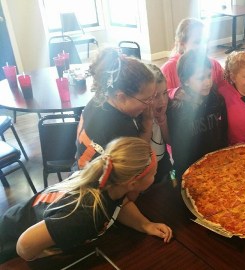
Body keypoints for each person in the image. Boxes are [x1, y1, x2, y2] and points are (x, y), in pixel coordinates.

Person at [0, 137, 173, 263]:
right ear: (133, 183)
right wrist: (52, 253)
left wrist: (145, 225)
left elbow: (121, 204)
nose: (155, 176)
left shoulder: (107, 180)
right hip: (9, 246)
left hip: (20, 218)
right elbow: (25, 245)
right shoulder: (86, 214)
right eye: (154, 174)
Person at [76, 48, 156, 169]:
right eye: (146, 100)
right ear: (121, 97)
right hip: (100, 184)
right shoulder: (120, 127)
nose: (151, 104)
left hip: (79, 171)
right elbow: (136, 164)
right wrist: (147, 125)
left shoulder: (97, 99)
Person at [167, 49, 228, 179]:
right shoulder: (177, 109)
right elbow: (179, 148)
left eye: (209, 75)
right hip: (190, 170)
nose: (207, 82)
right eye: (201, 78)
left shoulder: (218, 100)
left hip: (216, 164)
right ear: (186, 81)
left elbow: (224, 132)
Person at [161, 18, 224, 91]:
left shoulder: (215, 65)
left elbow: (224, 90)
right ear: (182, 44)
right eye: (197, 42)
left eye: (206, 41)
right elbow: (163, 98)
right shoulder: (168, 70)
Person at [147, 64, 173, 183]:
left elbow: (170, 141)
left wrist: (163, 121)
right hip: (145, 173)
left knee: (171, 184)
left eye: (164, 93)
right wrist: (147, 122)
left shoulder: (168, 109)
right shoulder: (137, 117)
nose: (162, 101)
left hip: (164, 165)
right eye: (156, 96)